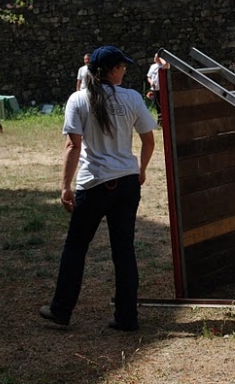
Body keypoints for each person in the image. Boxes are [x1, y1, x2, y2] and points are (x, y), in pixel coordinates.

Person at [39, 45, 156, 332]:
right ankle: (127, 317)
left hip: (93, 183)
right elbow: (149, 140)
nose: (125, 71)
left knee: (76, 248)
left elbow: (72, 145)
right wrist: (140, 169)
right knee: (124, 251)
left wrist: (65, 186)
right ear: (113, 70)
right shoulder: (132, 98)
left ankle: (61, 310)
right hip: (127, 182)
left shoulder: (79, 99)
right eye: (123, 67)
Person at [147, 50, 169, 126]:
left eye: (156, 57)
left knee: (163, 104)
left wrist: (160, 58)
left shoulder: (162, 66)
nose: (155, 58)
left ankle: (165, 120)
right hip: (154, 89)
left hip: (162, 89)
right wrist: (151, 82)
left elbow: (166, 64)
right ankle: (160, 122)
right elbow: (149, 77)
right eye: (155, 57)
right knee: (158, 105)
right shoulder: (152, 66)